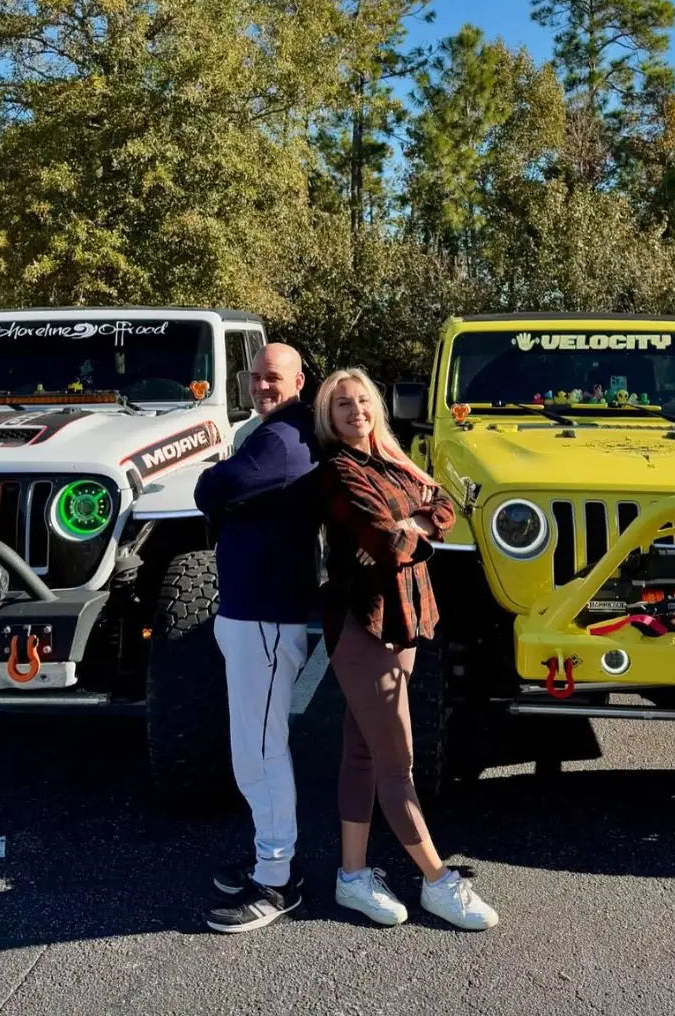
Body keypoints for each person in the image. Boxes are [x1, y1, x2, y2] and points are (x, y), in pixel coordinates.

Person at [315, 367, 499, 932]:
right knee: (398, 764)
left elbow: (442, 506)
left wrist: (415, 518)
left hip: (405, 620)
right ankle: (439, 881)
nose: (356, 411)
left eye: (363, 401)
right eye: (342, 404)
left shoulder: (392, 462)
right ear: (328, 415)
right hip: (364, 627)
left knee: (363, 751)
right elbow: (385, 542)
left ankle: (351, 875)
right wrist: (412, 523)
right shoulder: (338, 472)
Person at [193, 342, 321, 933]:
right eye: (257, 376)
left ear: (298, 380)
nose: (263, 385)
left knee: (262, 751)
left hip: (267, 618)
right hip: (252, 613)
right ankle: (267, 858)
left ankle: (278, 881)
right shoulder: (276, 432)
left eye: (274, 377)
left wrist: (214, 484)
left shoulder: (286, 438)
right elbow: (233, 489)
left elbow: (216, 488)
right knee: (252, 746)